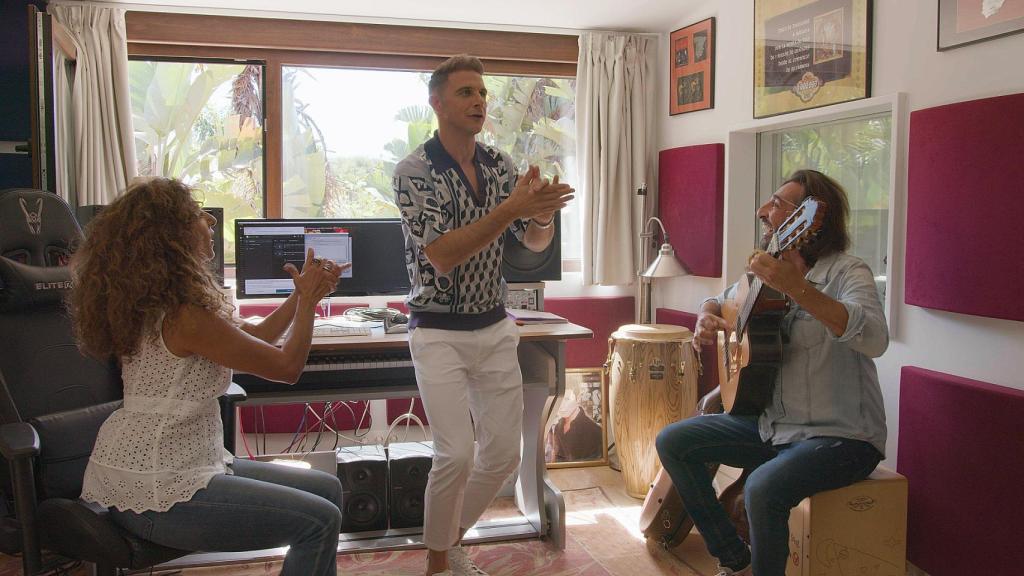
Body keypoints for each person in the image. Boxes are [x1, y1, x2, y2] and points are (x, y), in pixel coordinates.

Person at [70, 177, 348, 576]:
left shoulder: (173, 304)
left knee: (329, 490)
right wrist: (307, 303)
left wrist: (300, 295)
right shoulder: (185, 316)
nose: (209, 221)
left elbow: (258, 336)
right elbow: (287, 368)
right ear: (172, 235)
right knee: (319, 520)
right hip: (156, 484)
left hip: (185, 463)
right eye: (196, 214)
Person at [655, 169, 888, 576]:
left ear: (812, 219)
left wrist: (798, 287)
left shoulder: (849, 272)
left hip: (842, 438)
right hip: (775, 429)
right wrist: (706, 317)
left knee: (762, 488)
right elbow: (718, 299)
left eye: (777, 204)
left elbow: (874, 339)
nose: (764, 211)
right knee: (674, 440)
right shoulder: (761, 278)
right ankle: (732, 557)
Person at [392, 54, 574, 576]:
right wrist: (511, 211)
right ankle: (437, 564)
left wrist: (540, 216)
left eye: (482, 94)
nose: (478, 102)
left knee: (502, 457)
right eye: (466, 93)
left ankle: (447, 545)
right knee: (455, 453)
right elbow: (444, 253)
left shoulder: (499, 166)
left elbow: (531, 244)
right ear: (437, 103)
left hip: (494, 326)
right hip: (437, 333)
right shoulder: (413, 172)